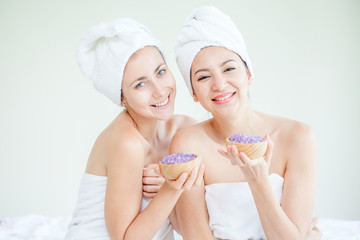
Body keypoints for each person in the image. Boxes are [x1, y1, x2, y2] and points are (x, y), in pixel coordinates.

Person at [169, 6, 322, 240]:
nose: (219, 84)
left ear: (249, 74)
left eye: (229, 68)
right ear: (194, 93)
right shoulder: (188, 143)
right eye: (203, 76)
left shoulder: (298, 137)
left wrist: (258, 181)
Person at [65, 18, 204, 240]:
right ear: (121, 97)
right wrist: (171, 188)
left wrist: (177, 189)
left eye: (160, 72)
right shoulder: (127, 142)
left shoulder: (185, 129)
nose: (159, 91)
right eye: (140, 84)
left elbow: (197, 223)